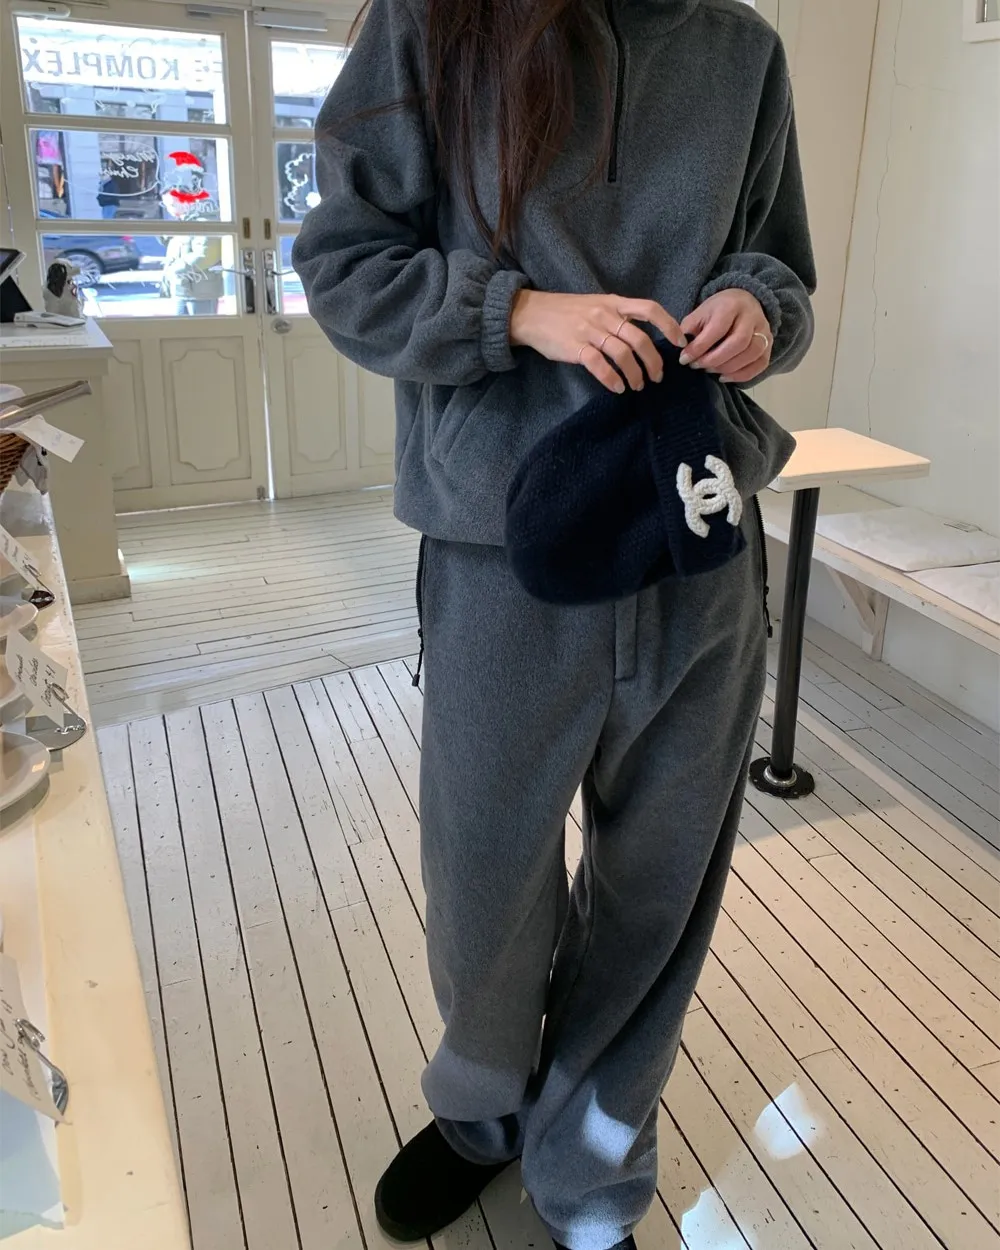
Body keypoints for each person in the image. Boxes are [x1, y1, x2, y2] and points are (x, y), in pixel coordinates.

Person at [293, 2, 816, 1248]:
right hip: (502, 552)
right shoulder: (434, 23)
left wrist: (757, 308)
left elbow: (780, 268)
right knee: (485, 882)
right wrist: (518, 311)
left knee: (657, 893)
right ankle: (482, 1115)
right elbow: (344, 266)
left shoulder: (742, 51)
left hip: (695, 534)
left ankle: (589, 1171)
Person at [160, 188, 223, 316]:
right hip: (182, 289)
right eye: (166, 206)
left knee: (201, 327)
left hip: (201, 292)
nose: (169, 210)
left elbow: (205, 255)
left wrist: (174, 270)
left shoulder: (203, 222)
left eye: (172, 205)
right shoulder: (183, 223)